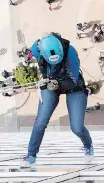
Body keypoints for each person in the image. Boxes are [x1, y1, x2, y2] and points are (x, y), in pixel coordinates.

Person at [22, 33, 94, 167]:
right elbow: (31, 55)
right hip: (50, 84)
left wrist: (55, 83)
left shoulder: (70, 52)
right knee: (41, 121)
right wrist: (30, 59)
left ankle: (88, 145)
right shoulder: (37, 48)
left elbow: (72, 80)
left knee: (77, 128)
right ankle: (31, 155)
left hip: (73, 87)